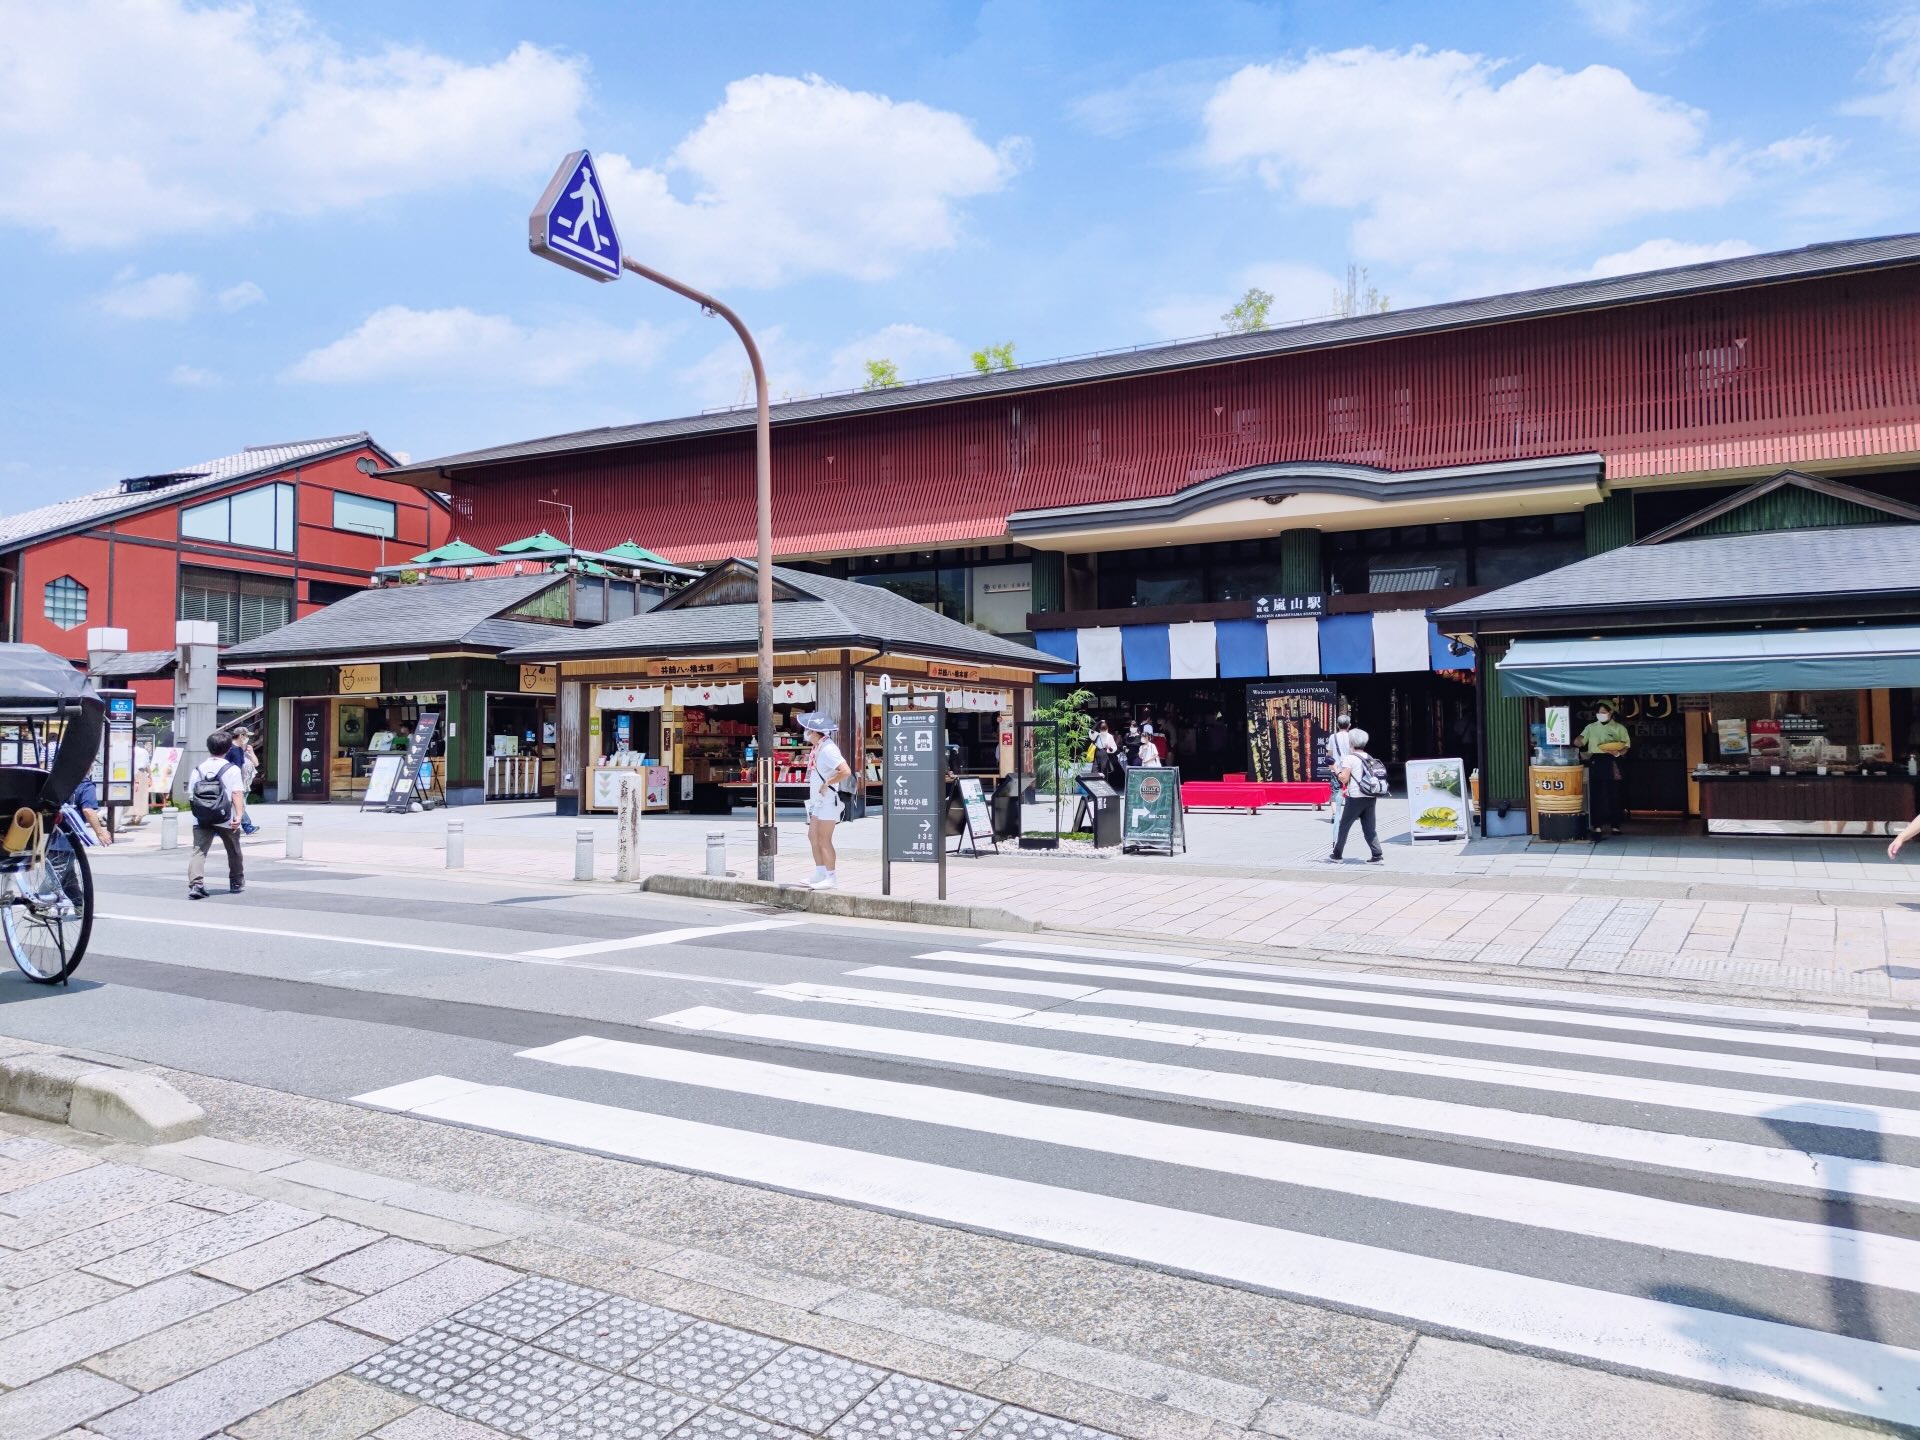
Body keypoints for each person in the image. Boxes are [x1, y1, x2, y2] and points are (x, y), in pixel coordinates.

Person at [186, 731, 246, 899]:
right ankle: (235, 881)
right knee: (233, 849)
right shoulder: (232, 769)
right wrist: (239, 815)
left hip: (201, 817)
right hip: (225, 817)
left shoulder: (198, 769)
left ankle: (196, 884)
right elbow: (236, 794)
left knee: (199, 851)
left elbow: (191, 794)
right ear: (227, 748)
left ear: (208, 748)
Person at [799, 712, 850, 890]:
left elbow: (845, 771)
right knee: (813, 835)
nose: (805, 732)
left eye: (807, 730)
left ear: (814, 732)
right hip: (818, 801)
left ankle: (831, 877)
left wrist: (827, 783)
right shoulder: (818, 748)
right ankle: (820, 872)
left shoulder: (828, 749)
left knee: (824, 838)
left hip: (828, 800)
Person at [1326, 726, 1387, 864]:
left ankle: (1337, 855)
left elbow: (1344, 778)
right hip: (1370, 796)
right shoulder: (1369, 757)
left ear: (1351, 743)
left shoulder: (1349, 758)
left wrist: (1335, 768)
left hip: (1355, 798)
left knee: (1344, 826)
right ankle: (1377, 855)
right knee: (1369, 828)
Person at [1577, 703, 1632, 839]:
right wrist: (1577, 740)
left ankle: (1615, 825)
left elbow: (1626, 746)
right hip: (1596, 760)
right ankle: (1597, 825)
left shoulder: (1619, 728)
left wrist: (1618, 753)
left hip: (1613, 760)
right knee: (1596, 795)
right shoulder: (1591, 727)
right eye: (1598, 712)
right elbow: (1581, 741)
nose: (1600, 714)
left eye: (1603, 712)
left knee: (1614, 794)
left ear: (1611, 713)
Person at [1324, 714, 1355, 828]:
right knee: (1351, 791)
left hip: (1336, 768)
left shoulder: (1333, 737)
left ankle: (1335, 814)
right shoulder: (1352, 737)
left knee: (1335, 791)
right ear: (1349, 725)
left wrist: (1330, 765)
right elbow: (1354, 752)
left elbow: (1329, 753)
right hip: (1349, 768)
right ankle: (1350, 814)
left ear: (1337, 725)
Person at [231, 727, 261, 836]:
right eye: (246, 736)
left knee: (237, 806)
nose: (248, 738)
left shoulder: (246, 749)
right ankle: (247, 826)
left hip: (246, 783)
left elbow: (256, 763)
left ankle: (220, 827)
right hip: (236, 783)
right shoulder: (232, 749)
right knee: (240, 805)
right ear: (241, 736)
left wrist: (251, 751)